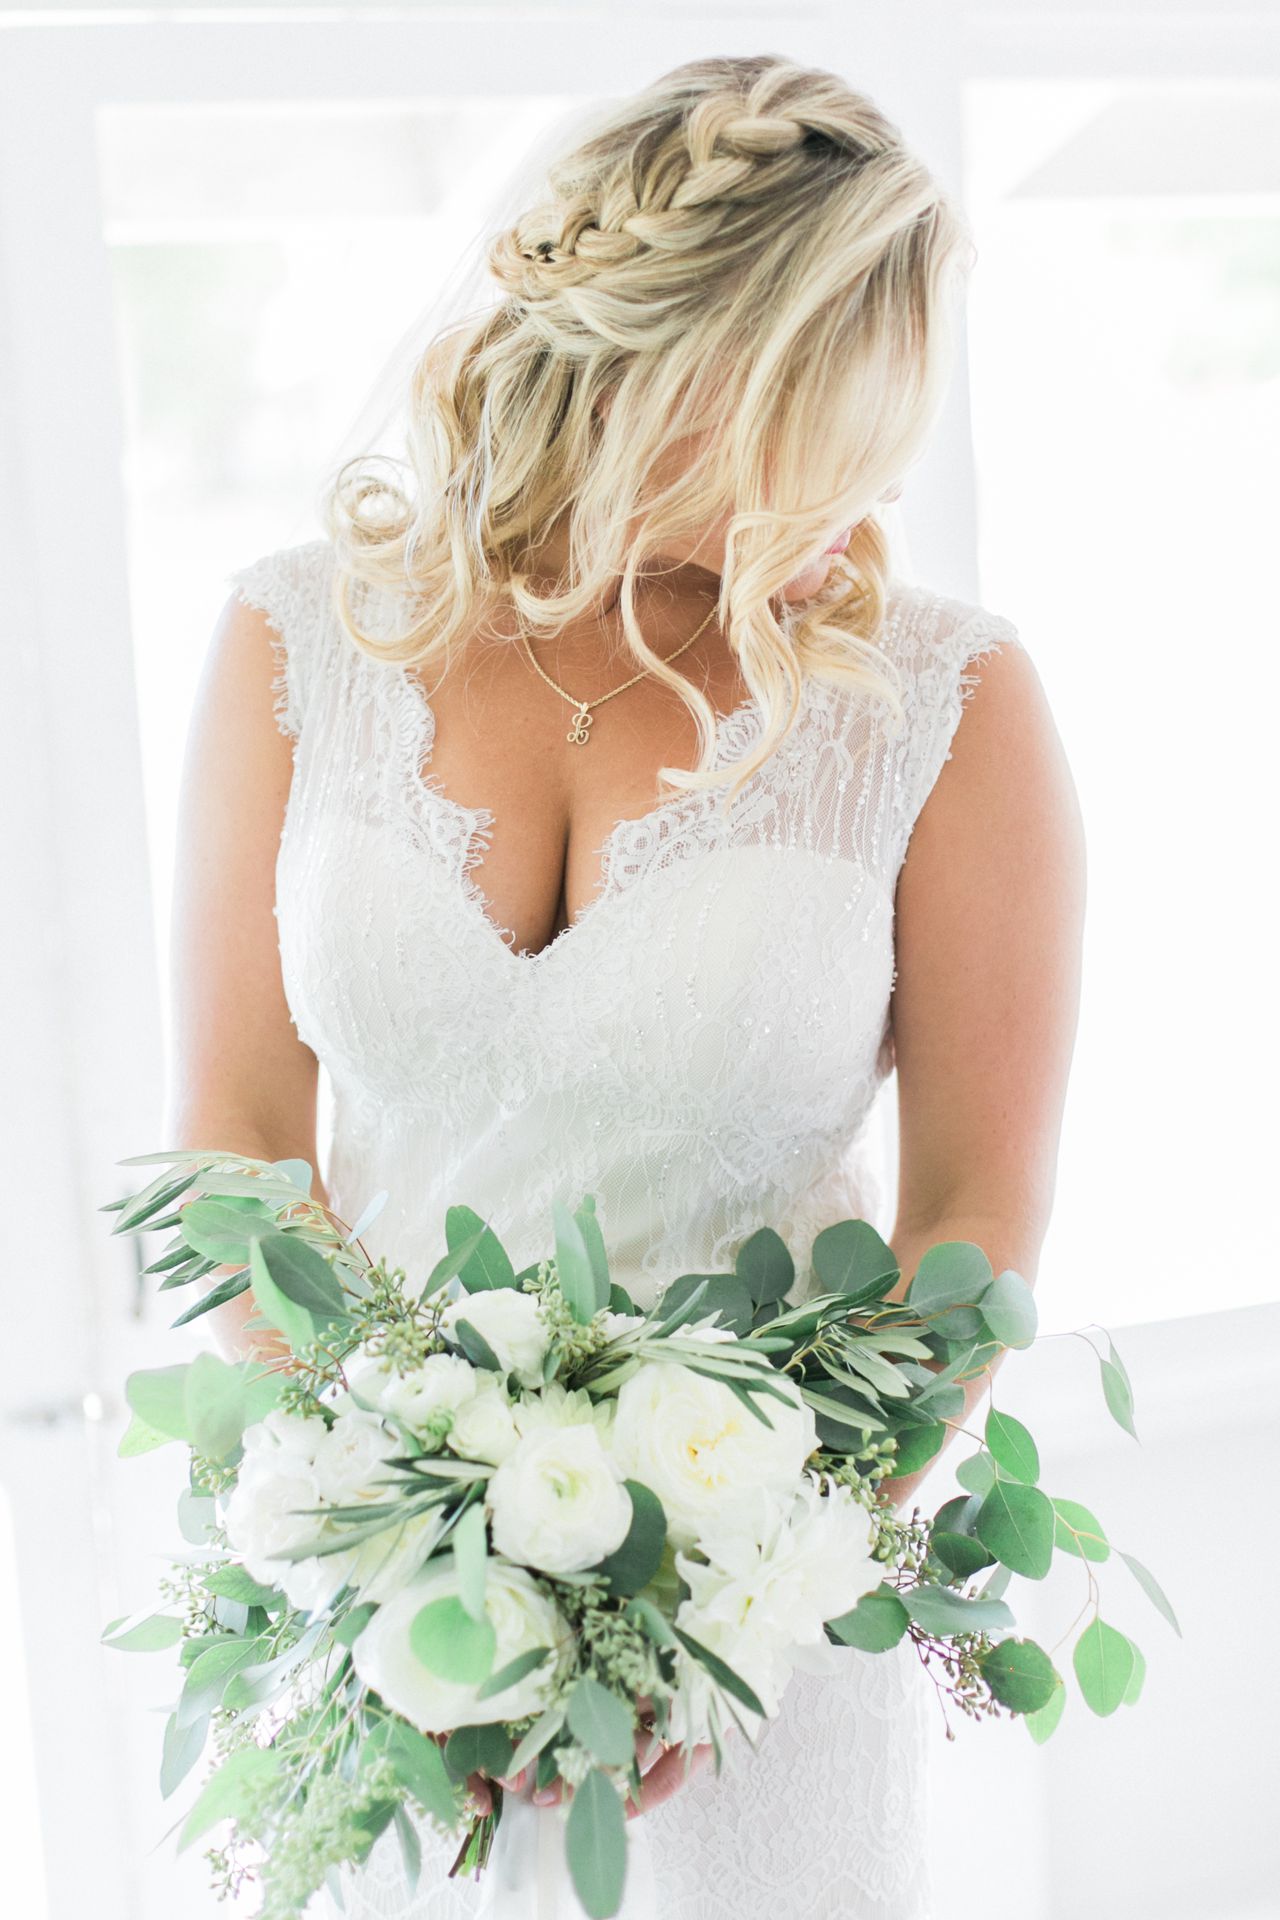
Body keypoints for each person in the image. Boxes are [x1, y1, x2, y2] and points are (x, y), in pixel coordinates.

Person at [168, 51, 1085, 1920]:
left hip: (768, 1643)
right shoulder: (295, 641)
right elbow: (240, 1143)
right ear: (662, 367)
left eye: (891, 435)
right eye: (823, 427)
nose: (873, 488)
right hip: (386, 1639)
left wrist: (698, 1612)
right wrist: (419, 1549)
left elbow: (974, 1226)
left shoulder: (946, 707)